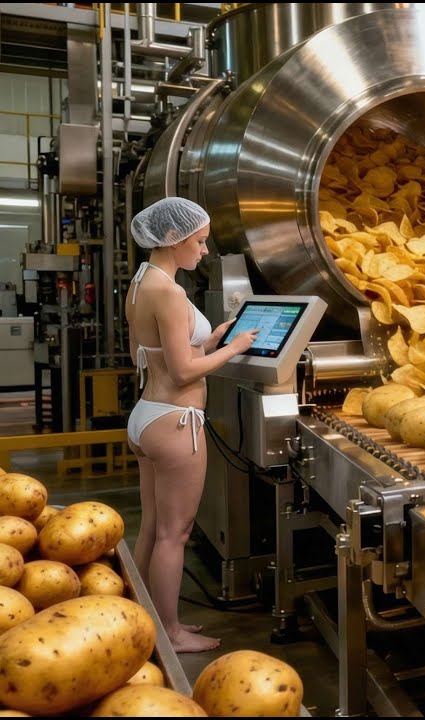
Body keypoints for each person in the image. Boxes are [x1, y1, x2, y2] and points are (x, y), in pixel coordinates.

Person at [126, 197, 258, 653]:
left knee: (151, 527)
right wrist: (235, 346)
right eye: (199, 242)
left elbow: (147, 357)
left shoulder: (143, 282)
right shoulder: (172, 291)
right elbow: (183, 373)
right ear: (173, 239)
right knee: (174, 533)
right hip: (176, 422)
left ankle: (142, 619)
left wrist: (211, 340)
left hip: (146, 415)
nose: (204, 251)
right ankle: (170, 631)